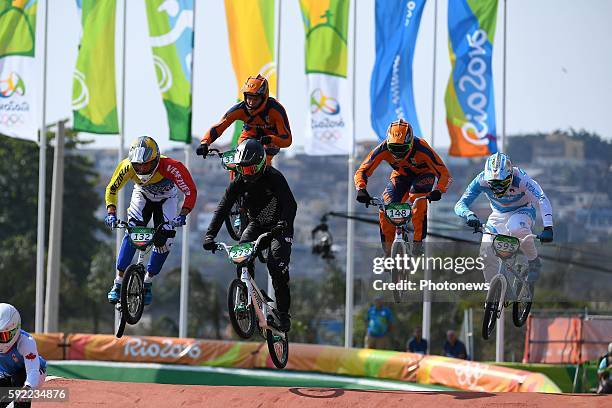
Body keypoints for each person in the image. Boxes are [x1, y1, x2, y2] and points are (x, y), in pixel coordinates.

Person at [202, 139, 296, 332]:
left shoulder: (274, 176)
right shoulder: (239, 181)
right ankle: (247, 295)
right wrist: (209, 235)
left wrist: (283, 223)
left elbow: (290, 204)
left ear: (262, 164)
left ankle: (284, 316)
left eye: (251, 169)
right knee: (241, 255)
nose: (247, 174)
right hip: (258, 224)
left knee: (275, 267)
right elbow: (222, 208)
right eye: (243, 169)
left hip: (280, 227)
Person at [104, 136, 197, 306]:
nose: (141, 168)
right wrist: (111, 212)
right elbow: (112, 188)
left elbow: (190, 191)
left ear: (156, 159)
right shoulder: (127, 166)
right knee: (133, 232)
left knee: (165, 240)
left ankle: (147, 281)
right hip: (142, 195)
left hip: (167, 198)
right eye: (137, 165)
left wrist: (183, 214)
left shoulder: (172, 166)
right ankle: (118, 283)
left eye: (146, 164)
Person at [454, 152, 554, 289]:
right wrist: (469, 215)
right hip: (498, 215)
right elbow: (460, 204)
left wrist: (548, 227)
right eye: (493, 184)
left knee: (516, 228)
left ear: (510, 175)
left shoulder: (521, 179)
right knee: (485, 253)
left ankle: (534, 261)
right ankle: (492, 296)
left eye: (501, 182)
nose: (497, 188)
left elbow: (541, 199)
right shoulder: (481, 180)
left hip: (522, 210)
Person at [354, 119, 451, 256]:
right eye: (393, 149)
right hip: (400, 176)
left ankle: (418, 242)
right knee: (385, 207)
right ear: (388, 143)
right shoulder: (383, 148)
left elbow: (444, 173)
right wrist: (361, 189)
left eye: (402, 149)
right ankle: (388, 253)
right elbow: (362, 171)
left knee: (417, 198)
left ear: (410, 143)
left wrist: (439, 190)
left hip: (424, 175)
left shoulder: (422, 147)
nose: (397, 154)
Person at [195, 74, 292, 165]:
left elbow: (287, 140)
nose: (251, 102)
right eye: (249, 98)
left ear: (264, 98)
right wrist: (205, 143)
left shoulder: (275, 110)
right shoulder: (239, 109)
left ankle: (267, 173)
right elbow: (220, 126)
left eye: (255, 99)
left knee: (263, 162)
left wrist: (271, 139)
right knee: (237, 163)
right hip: (248, 137)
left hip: (269, 142)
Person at [0, 304, 47, 406]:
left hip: (34, 372)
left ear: (14, 331)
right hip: (7, 373)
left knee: (19, 385)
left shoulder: (26, 341)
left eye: (2, 336)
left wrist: (28, 387)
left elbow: (32, 370)